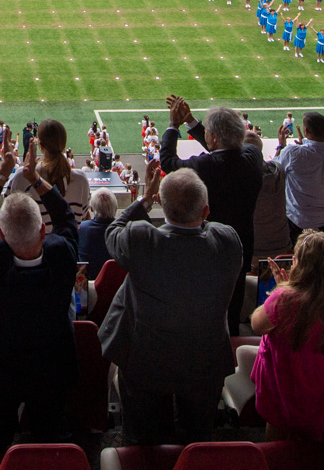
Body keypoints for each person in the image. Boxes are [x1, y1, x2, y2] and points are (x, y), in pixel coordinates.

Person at [99, 165, 244, 443]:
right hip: (205, 360)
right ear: (206, 211)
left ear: (161, 205)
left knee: (141, 441)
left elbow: (113, 229)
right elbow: (207, 228)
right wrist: (193, 212)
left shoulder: (141, 239)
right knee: (197, 438)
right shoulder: (227, 242)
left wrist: (144, 200)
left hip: (144, 360)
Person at [0, 137, 79, 448]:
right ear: (43, 230)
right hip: (51, 366)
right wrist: (36, 180)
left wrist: (3, 173)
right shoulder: (61, 253)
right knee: (49, 438)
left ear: (1, 234)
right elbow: (66, 219)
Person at [160, 95, 264, 331]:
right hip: (242, 243)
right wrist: (191, 122)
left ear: (214, 137)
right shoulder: (253, 157)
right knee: (234, 301)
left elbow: (168, 162)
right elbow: (226, 150)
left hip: (209, 244)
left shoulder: (206, 166)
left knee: (206, 302)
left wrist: (173, 125)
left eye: (208, 131)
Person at [250, 231, 324, 441]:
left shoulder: (284, 300)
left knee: (276, 437)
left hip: (280, 390)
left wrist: (281, 289)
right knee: (310, 439)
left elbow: (257, 325)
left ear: (299, 265)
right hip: (319, 390)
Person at [274, 111, 324, 241]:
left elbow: (273, 170)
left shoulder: (292, 153)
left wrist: (281, 145)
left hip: (298, 221)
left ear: (306, 131)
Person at [7, 118, 92, 222]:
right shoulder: (81, 180)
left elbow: (6, 209)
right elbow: (83, 215)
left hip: (34, 233)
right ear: (64, 145)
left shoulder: (22, 176)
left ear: (40, 145)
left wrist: (4, 170)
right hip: (69, 232)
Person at [78, 188, 119, 274]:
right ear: (116, 209)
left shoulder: (81, 229)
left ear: (92, 209)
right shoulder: (123, 231)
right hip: (117, 281)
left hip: (89, 280)